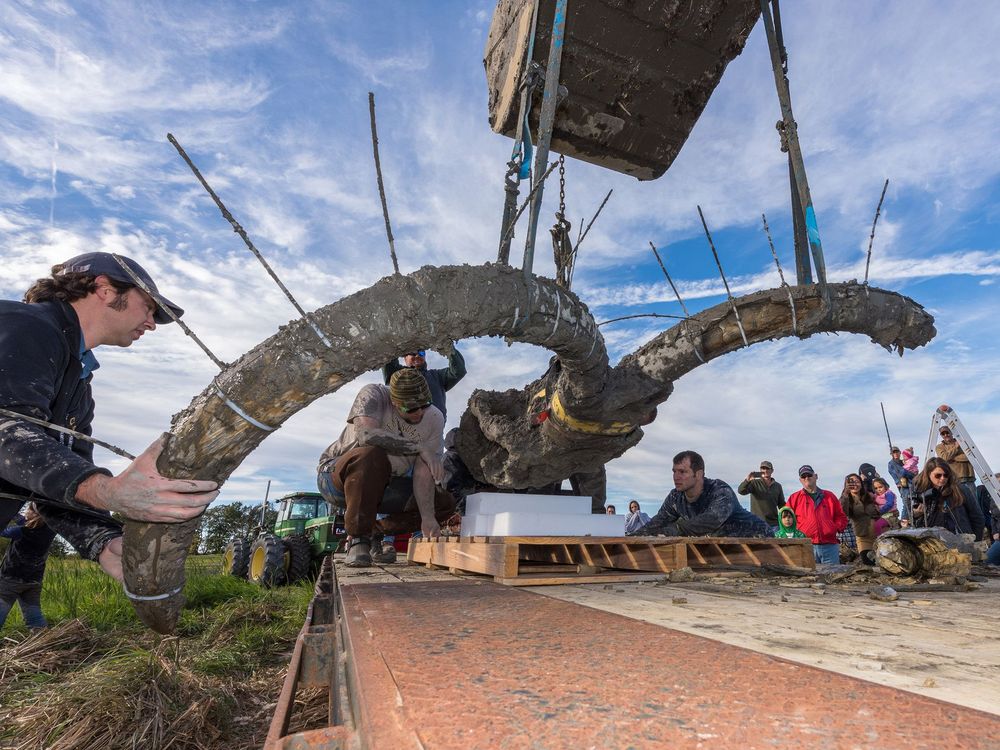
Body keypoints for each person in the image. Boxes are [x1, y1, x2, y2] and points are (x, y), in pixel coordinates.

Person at [0, 253, 219, 582]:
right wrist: (107, 489)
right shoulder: (23, 325)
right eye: (147, 306)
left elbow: (56, 483)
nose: (150, 323)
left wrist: (103, 540)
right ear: (104, 288)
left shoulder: (78, 387)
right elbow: (8, 434)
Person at [316, 369, 455, 567]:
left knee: (443, 503)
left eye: (423, 405)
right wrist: (417, 447)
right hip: (337, 478)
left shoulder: (434, 418)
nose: (419, 413)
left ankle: (376, 530)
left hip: (387, 485)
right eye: (411, 408)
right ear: (394, 401)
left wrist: (427, 517)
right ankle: (358, 539)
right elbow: (367, 435)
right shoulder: (373, 395)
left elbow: (423, 468)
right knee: (372, 454)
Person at [630, 451, 771, 538]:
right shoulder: (675, 497)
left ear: (698, 474)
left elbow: (711, 520)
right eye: (674, 471)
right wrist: (632, 537)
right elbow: (658, 521)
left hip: (760, 540)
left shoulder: (720, 490)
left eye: (682, 472)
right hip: (724, 548)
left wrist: (677, 528)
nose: (676, 477)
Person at [0, 504, 52, 630]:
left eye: (28, 509)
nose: (25, 512)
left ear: (35, 514)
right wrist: (15, 515)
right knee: (34, 616)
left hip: (11, 580)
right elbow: (28, 523)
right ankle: (42, 641)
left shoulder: (19, 532)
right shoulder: (49, 531)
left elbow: (2, 530)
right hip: (34, 581)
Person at [784, 465, 848, 565]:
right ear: (800, 480)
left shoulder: (829, 496)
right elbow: (785, 520)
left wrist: (835, 528)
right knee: (808, 579)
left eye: (809, 475)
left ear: (816, 476)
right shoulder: (794, 498)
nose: (806, 478)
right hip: (805, 546)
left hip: (829, 546)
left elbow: (841, 516)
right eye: (803, 476)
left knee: (833, 577)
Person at [382, 345, 466, 421]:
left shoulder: (438, 376)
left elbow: (459, 371)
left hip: (433, 430)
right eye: (413, 353)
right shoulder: (396, 374)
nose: (418, 355)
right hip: (402, 429)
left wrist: (447, 346)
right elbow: (387, 354)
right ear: (405, 357)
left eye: (421, 353)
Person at [911, 457, 981, 537]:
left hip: (959, 540)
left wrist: (974, 541)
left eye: (946, 475)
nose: (942, 478)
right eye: (938, 475)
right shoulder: (918, 492)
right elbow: (910, 522)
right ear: (928, 474)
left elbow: (977, 517)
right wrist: (916, 514)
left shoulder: (960, 490)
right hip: (932, 542)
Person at [839, 473, 881, 564]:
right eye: (851, 482)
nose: (855, 484)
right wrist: (846, 493)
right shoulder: (846, 499)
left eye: (857, 482)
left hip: (880, 536)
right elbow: (842, 512)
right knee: (869, 564)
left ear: (861, 484)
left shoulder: (869, 496)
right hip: (864, 539)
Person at [737, 460, 784, 528]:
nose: (765, 470)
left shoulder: (778, 486)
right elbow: (741, 491)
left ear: (772, 470)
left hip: (774, 524)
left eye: (767, 468)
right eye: (763, 468)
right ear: (760, 470)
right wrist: (747, 480)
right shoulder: (754, 483)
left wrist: (788, 515)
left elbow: (781, 504)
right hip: (757, 523)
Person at [887, 446, 915, 526]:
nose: (895, 453)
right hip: (903, 486)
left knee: (912, 502)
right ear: (891, 454)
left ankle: (911, 521)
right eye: (893, 452)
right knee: (906, 503)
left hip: (911, 485)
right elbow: (901, 473)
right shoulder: (891, 463)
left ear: (900, 453)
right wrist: (910, 473)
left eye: (896, 452)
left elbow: (912, 467)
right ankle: (904, 522)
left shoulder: (904, 461)